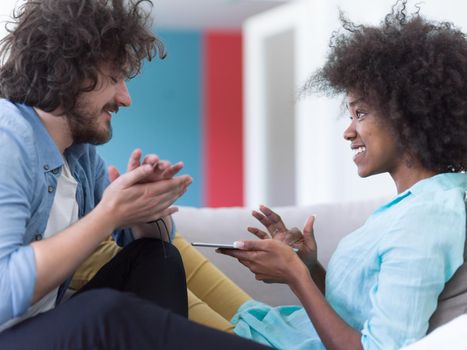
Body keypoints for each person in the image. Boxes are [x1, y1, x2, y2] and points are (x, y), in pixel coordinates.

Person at [0, 0, 269, 349]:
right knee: (104, 312)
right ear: (67, 72)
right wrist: (108, 214)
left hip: (39, 331)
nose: (125, 98)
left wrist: (146, 215)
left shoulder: (81, 159)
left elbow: (146, 246)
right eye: (114, 78)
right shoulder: (9, 141)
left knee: (158, 259)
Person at [205, 1, 466, 349]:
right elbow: (360, 308)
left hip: (272, 340)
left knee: (134, 292)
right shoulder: (418, 203)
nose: (347, 131)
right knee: (159, 253)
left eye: (360, 113)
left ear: (410, 114)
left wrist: (295, 276)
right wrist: (308, 267)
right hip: (273, 329)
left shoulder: (429, 216)